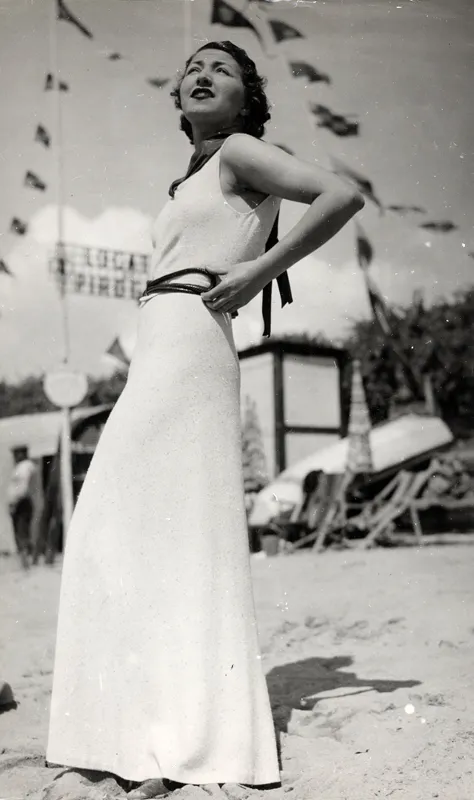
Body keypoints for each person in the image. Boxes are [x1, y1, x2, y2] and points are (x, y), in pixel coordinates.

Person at [46, 41, 363, 799]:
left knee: (156, 534)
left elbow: (342, 194)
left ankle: (177, 747)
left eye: (220, 68)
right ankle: (131, 732)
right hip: (164, 343)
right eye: (190, 66)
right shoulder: (192, 175)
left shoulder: (243, 150)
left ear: (248, 98)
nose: (199, 74)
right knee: (123, 532)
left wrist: (261, 268)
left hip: (192, 343)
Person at [7, 446, 37, 569]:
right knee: (22, 531)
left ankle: (25, 563)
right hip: (21, 502)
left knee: (21, 531)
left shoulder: (24, 467)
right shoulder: (25, 466)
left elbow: (22, 488)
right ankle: (25, 562)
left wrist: (14, 503)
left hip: (21, 503)